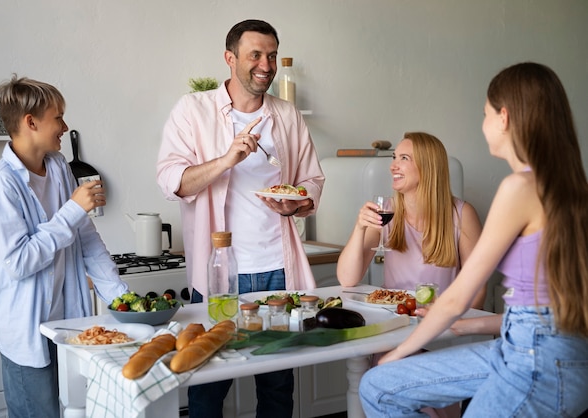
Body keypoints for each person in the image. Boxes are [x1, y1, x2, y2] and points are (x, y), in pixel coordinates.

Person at [359, 62, 588, 417]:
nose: (483, 124)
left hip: (535, 363)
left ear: (504, 118)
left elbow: (458, 297)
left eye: (485, 113)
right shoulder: (569, 189)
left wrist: (395, 354)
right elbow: (545, 310)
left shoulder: (520, 188)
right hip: (536, 349)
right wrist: (467, 325)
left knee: (379, 380)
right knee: (377, 386)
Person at [156, 19, 324, 417]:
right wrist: (228, 159)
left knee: (279, 386)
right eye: (255, 55)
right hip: (219, 275)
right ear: (230, 58)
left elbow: (312, 179)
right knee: (207, 386)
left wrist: (296, 203)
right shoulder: (192, 110)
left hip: (277, 272)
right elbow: (172, 180)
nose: (265, 65)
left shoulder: (286, 115)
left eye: (270, 55)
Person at [0, 76, 129, 418]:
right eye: (58, 117)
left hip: (68, 325)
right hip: (26, 331)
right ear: (31, 122)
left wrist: (121, 299)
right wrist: (73, 209)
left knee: (78, 410)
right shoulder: (1, 185)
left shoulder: (59, 166)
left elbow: (85, 238)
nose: (65, 126)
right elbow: (19, 262)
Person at [337, 132, 486, 309]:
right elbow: (347, 279)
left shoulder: (461, 214)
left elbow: (477, 289)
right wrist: (359, 228)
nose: (393, 166)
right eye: (394, 157)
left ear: (427, 167)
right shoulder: (386, 210)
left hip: (440, 319)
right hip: (394, 316)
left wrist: (454, 325)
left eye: (404, 158)